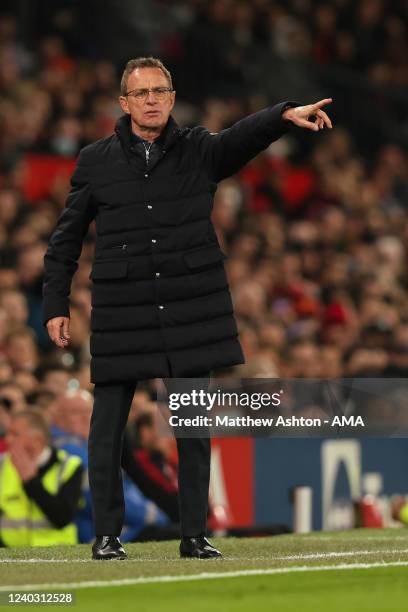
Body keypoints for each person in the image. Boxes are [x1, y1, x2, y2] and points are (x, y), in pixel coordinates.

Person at [42, 56, 332, 560]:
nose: (152, 100)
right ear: (124, 102)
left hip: (189, 308)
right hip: (123, 308)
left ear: (172, 98)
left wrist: (282, 114)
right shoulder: (95, 160)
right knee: (107, 427)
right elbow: (65, 240)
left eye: (160, 91)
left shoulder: (200, 149)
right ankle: (107, 536)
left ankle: (194, 535)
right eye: (142, 93)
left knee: (193, 430)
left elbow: (240, 138)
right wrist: (55, 304)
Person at [0, 409, 83, 547]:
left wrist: (31, 481)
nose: (7, 439)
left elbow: (62, 519)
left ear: (37, 440)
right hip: (9, 556)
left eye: (15, 434)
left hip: (60, 555)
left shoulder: (70, 466)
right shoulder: (2, 465)